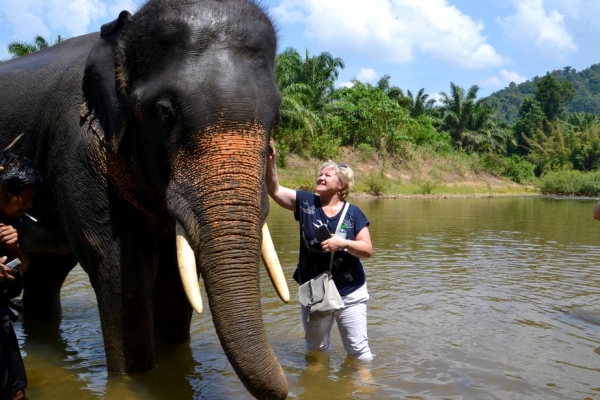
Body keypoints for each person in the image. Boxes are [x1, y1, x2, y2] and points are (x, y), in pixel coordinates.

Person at [266, 142, 374, 361]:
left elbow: (367, 250)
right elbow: (274, 190)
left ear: (342, 186)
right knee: (316, 351)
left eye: (328, 175)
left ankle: (362, 390)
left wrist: (342, 243)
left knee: (359, 351)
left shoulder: (354, 213)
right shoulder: (306, 203)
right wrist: (271, 161)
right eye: (320, 174)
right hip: (315, 291)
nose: (321, 177)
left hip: (349, 290)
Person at [0, 153, 42, 400]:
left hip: (1, 315)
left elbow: (21, 264)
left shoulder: (13, 222)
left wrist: (14, 251)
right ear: (4, 190)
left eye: (32, 198)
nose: (28, 206)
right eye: (24, 198)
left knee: (17, 392)